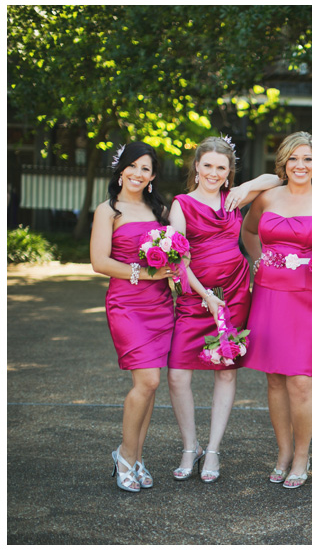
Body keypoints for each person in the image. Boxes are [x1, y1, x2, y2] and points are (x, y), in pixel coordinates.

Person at [167, 136, 280, 483]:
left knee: (226, 371)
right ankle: (191, 446)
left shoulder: (233, 198)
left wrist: (243, 185)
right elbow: (177, 261)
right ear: (196, 168)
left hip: (233, 292)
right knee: (177, 374)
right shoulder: (181, 204)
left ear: (228, 171)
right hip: (196, 296)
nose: (213, 173)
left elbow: (275, 179)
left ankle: (213, 449)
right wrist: (204, 295)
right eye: (208, 166)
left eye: (221, 167)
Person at [241, 132, 312, 489]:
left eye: (307, 159)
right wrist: (258, 262)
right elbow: (249, 231)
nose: (300, 166)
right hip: (269, 295)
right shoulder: (268, 196)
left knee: (300, 382)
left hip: (309, 298)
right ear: (283, 163)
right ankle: (283, 452)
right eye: (294, 159)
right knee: (273, 378)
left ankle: (302, 455)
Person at [90, 142, 177, 492]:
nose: (138, 174)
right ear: (120, 169)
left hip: (160, 305)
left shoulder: (162, 211)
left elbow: (176, 254)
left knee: (150, 384)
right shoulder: (107, 210)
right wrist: (144, 274)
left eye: (146, 169)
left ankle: (138, 457)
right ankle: (124, 455)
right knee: (149, 382)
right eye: (133, 166)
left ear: (153, 176)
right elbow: (100, 262)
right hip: (127, 304)